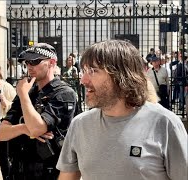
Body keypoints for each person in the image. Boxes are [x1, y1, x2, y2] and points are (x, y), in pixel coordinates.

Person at [56, 40, 188, 180]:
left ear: (121, 76)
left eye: (93, 71)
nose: (83, 80)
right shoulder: (80, 125)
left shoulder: (165, 123)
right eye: (84, 71)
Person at [0, 43, 77, 180]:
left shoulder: (63, 93)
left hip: (47, 172)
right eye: (27, 62)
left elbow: (37, 128)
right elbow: (0, 134)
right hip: (19, 170)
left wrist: (22, 95)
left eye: (35, 61)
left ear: (51, 63)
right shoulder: (28, 92)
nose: (29, 67)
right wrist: (23, 128)